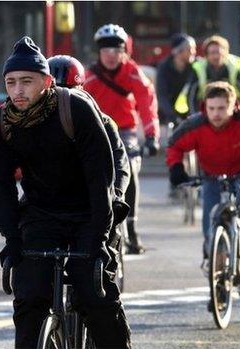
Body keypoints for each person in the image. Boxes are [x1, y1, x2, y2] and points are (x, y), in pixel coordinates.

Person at [0, 36, 131, 349]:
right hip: (41, 213)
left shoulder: (74, 108)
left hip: (89, 212)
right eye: (11, 82)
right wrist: (12, 239)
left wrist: (98, 238)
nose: (18, 90)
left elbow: (101, 178)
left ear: (46, 81)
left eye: (27, 81)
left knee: (94, 295)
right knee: (29, 299)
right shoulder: (3, 122)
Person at [0, 55, 132, 245]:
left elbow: (116, 162)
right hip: (42, 210)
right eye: (56, 93)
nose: (64, 100)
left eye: (70, 92)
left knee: (98, 261)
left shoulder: (95, 118)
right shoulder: (15, 119)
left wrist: (116, 196)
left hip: (89, 205)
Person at [166, 81, 240, 272]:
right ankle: (211, 254)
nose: (216, 114)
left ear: (233, 106)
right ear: (205, 107)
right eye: (211, 108)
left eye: (222, 108)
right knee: (209, 212)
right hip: (212, 173)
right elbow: (174, 145)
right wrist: (176, 168)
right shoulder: (196, 124)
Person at [84, 23, 160, 254]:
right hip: (96, 130)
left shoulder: (133, 73)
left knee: (130, 170)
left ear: (124, 51)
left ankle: (132, 227)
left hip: (124, 131)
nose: (111, 55)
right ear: (99, 52)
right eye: (106, 50)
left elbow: (147, 104)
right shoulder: (89, 77)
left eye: (116, 50)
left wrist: (151, 136)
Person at [182, 35, 240, 114]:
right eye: (212, 53)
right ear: (206, 55)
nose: (216, 56)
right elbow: (191, 97)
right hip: (206, 113)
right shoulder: (199, 69)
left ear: (225, 53)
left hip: (232, 112)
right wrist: (195, 116)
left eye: (218, 52)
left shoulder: (234, 68)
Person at [156, 33, 196, 127]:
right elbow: (162, 97)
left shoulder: (197, 66)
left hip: (192, 115)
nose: (193, 52)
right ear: (178, 51)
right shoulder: (164, 67)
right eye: (190, 49)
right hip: (169, 117)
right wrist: (174, 119)